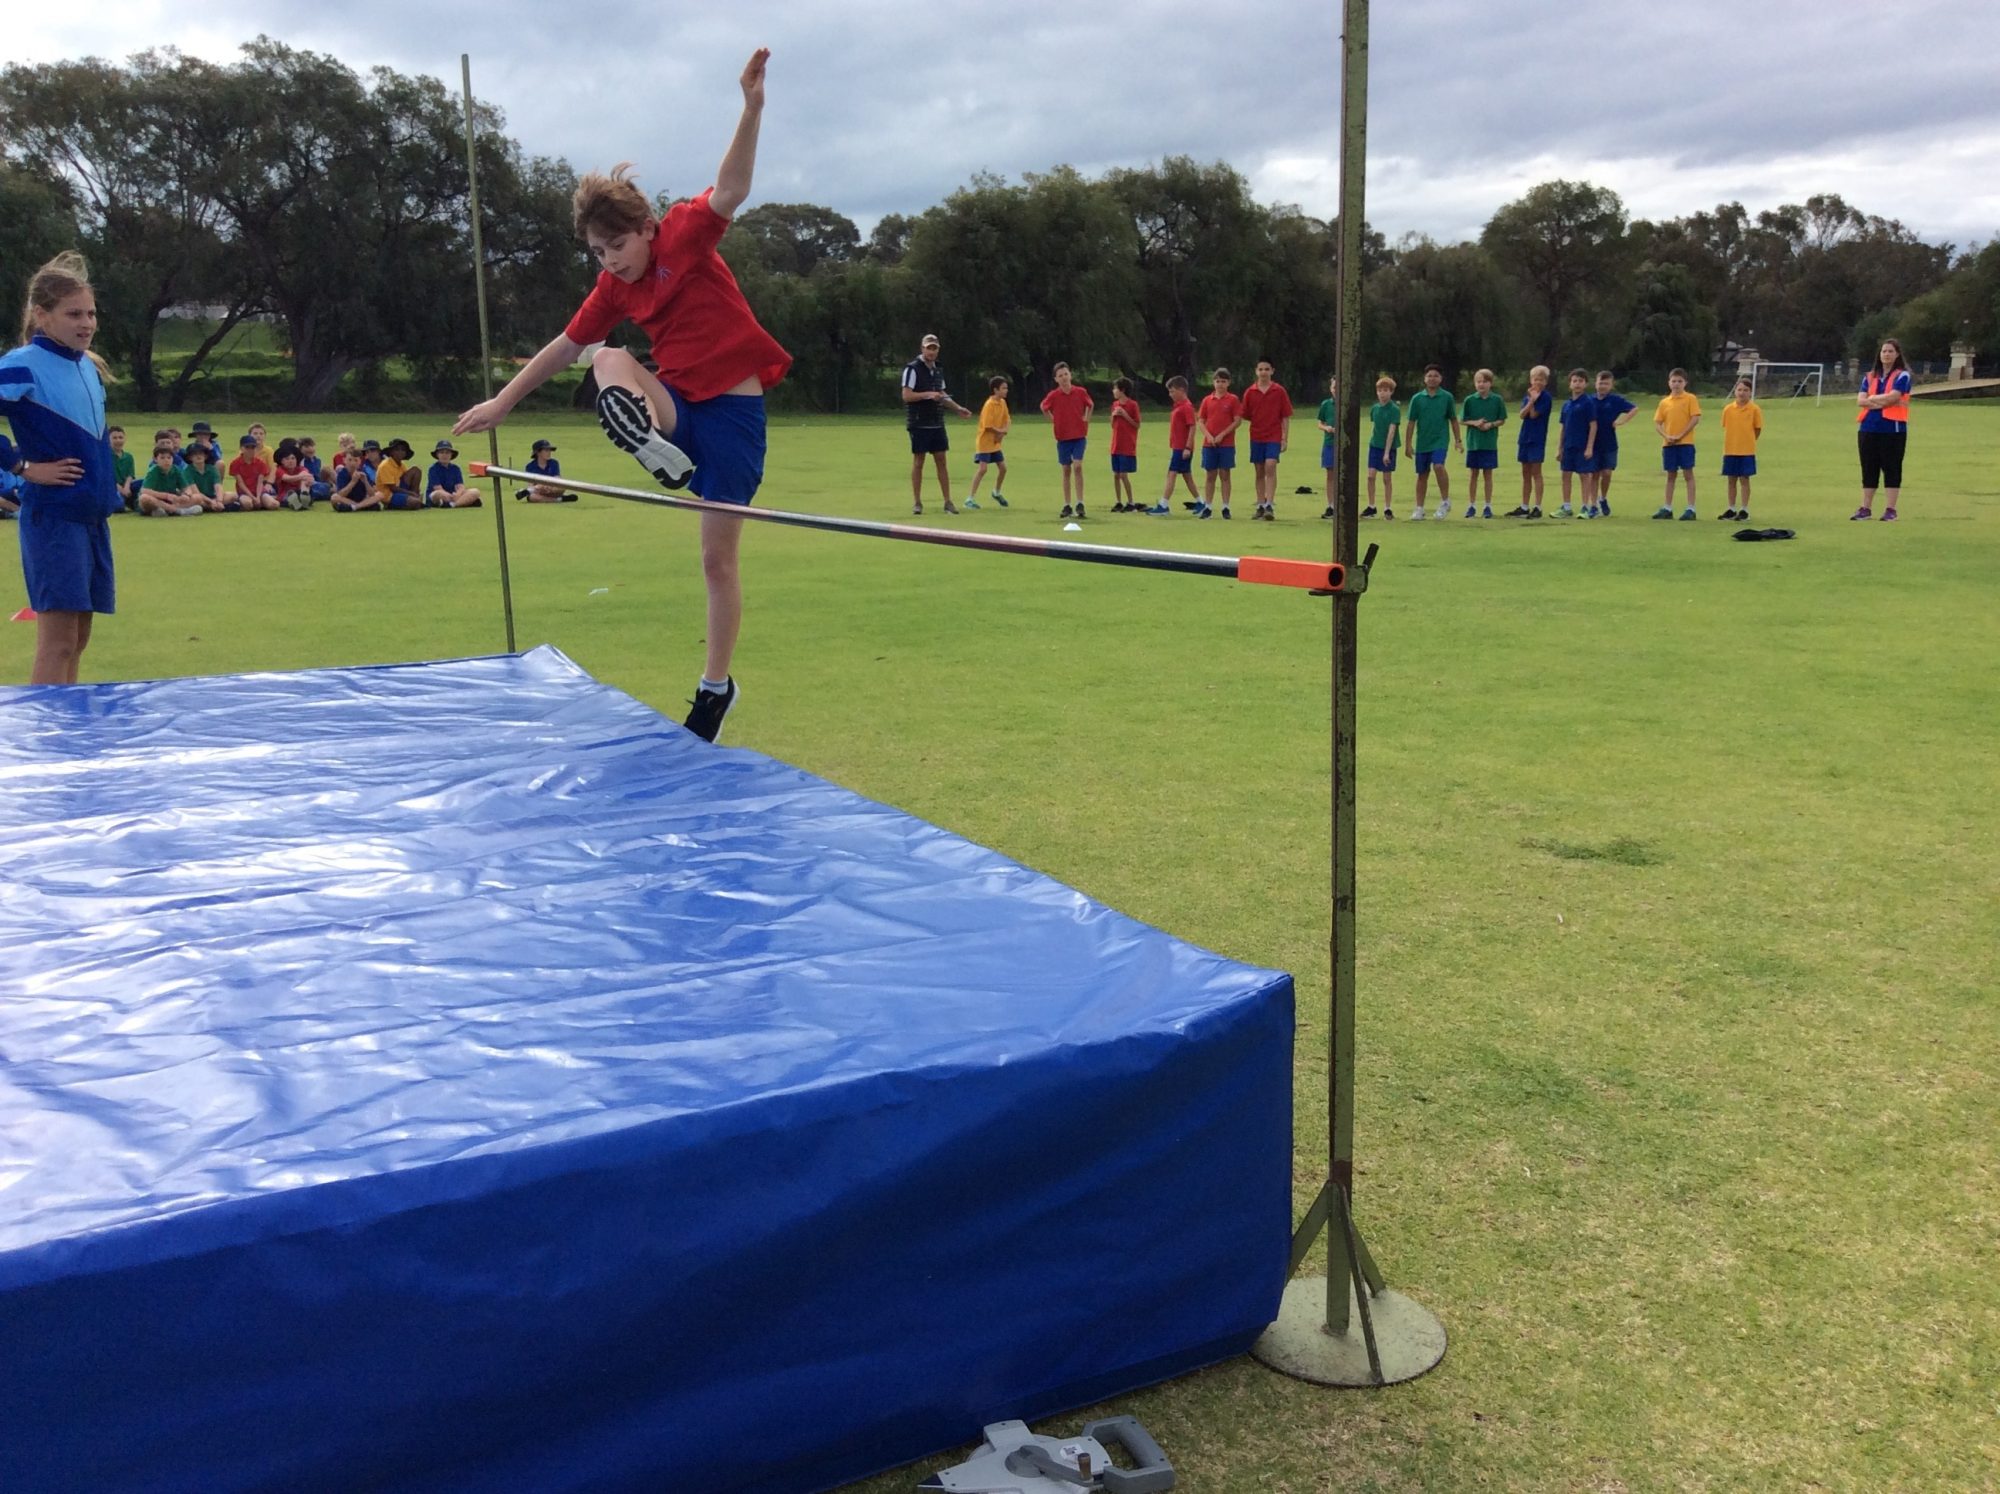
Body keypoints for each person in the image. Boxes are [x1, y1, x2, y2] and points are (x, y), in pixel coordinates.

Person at [453, 48, 789, 742]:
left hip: (732, 415)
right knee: (607, 355)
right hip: (675, 406)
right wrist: (504, 403)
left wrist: (751, 108)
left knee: (715, 560)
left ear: (644, 228)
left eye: (618, 248)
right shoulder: (615, 286)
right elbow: (565, 346)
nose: (611, 262)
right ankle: (649, 444)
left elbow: (730, 189)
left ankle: (715, 688)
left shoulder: (683, 233)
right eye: (599, 254)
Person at [0, 250, 122, 684]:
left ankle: (69, 736)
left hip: (89, 519)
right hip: (53, 520)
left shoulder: (87, 365)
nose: (86, 323)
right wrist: (22, 465)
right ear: (41, 315)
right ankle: (48, 748)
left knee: (79, 640)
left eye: (91, 313)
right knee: (57, 644)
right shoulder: (21, 365)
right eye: (73, 314)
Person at [902, 332, 970, 514]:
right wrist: (927, 394)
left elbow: (942, 393)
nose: (931, 351)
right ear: (922, 348)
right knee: (919, 461)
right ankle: (917, 502)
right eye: (928, 348)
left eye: (934, 348)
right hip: (918, 422)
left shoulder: (938, 369)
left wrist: (957, 408)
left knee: (942, 461)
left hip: (937, 421)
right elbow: (907, 395)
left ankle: (948, 502)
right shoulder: (912, 369)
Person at [1852, 337, 1912, 522]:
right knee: (1869, 467)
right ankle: (1865, 508)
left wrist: (1873, 400)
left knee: (1891, 468)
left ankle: (1890, 509)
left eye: (1890, 351)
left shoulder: (1902, 375)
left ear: (1897, 354)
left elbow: (1893, 398)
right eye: (1884, 351)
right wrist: (1880, 401)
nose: (1886, 354)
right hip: (1868, 427)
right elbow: (1860, 400)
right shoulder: (1869, 376)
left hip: (1892, 428)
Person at [1403, 363, 1459, 519]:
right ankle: (1419, 508)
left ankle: (1445, 501)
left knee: (1439, 466)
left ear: (1441, 379)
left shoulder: (1446, 397)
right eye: (1429, 376)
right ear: (1424, 379)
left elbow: (1453, 419)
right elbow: (1411, 422)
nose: (1432, 379)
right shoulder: (1417, 399)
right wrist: (1408, 444)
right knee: (1422, 474)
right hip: (1423, 442)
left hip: (1440, 440)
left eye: (1435, 376)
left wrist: (1458, 440)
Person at [1038, 362, 1094, 519]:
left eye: (1066, 374)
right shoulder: (1054, 395)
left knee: (1077, 466)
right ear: (1056, 379)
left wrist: (1086, 419)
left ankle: (1080, 502)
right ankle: (1067, 504)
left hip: (1078, 436)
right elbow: (1043, 407)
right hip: (1063, 438)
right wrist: (1053, 420)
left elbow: (1090, 404)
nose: (1064, 378)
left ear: (1070, 375)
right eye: (1060, 376)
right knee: (1066, 469)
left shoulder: (1080, 392)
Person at [1241, 359, 1293, 521]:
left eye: (1266, 369)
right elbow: (1246, 414)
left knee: (1271, 465)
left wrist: (1284, 438)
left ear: (1272, 371)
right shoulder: (1250, 392)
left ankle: (1270, 503)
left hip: (1273, 435)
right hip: (1256, 435)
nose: (1263, 372)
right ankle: (1260, 504)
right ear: (1256, 371)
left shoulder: (1279, 391)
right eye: (1261, 369)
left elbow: (1285, 416)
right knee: (1259, 470)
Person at [1584, 370, 1637, 518]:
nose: (1602, 386)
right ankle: (1593, 505)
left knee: (1606, 473)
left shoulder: (1615, 400)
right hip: (1593, 442)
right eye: (1600, 383)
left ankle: (1603, 498)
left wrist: (1621, 421)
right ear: (1595, 384)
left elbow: (1634, 408)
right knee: (1594, 474)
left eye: (1606, 383)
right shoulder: (1589, 400)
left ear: (1611, 385)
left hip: (1609, 443)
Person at [1652, 369, 1701, 520]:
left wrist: (1681, 435)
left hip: (1685, 443)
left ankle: (1691, 508)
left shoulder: (1690, 399)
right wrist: (1667, 436)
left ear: (1685, 383)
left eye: (1680, 381)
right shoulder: (1665, 402)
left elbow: (1695, 418)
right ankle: (1667, 507)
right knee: (1670, 475)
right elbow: (1658, 422)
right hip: (1669, 443)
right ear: (1669, 383)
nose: (1676, 384)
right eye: (1674, 381)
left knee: (1688, 474)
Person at [1194, 367, 1241, 519]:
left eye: (1223, 381)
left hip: (1226, 443)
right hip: (1209, 444)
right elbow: (1201, 421)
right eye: (1217, 381)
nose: (1220, 384)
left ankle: (1225, 506)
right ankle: (1208, 506)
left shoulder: (1232, 399)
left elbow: (1237, 421)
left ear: (1228, 383)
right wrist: (1208, 435)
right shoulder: (1207, 400)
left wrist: (1222, 434)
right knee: (1210, 475)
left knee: (1225, 474)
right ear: (1213, 382)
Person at [1459, 368, 1507, 519]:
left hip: (1489, 444)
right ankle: (1471, 505)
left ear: (1490, 384)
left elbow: (1502, 419)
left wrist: (1490, 425)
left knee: (1488, 474)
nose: (1481, 385)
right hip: (1474, 444)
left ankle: (1487, 505)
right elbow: (1462, 420)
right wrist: (1475, 423)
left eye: (1485, 382)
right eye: (1478, 381)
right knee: (1473, 474)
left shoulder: (1497, 400)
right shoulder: (1470, 400)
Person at [1510, 366, 1553, 518]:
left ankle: (1538, 506)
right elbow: (1522, 415)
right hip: (1525, 437)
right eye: (1535, 379)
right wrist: (1530, 400)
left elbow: (1534, 415)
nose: (1537, 382)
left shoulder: (1546, 397)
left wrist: (1534, 401)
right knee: (1525, 473)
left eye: (1541, 380)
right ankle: (1524, 506)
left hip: (1537, 438)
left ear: (1546, 382)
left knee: (1536, 472)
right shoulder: (1528, 396)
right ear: (1530, 380)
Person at [1153, 375, 1198, 516]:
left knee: (1171, 474)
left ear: (1182, 390)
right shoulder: (1178, 406)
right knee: (1186, 475)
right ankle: (1201, 502)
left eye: (1172, 391)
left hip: (1182, 448)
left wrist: (1188, 447)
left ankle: (1164, 504)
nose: (1170, 394)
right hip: (1177, 446)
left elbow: (1192, 427)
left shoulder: (1187, 407)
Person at [1556, 368, 1599, 516]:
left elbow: (1593, 425)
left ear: (1586, 384)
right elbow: (1563, 427)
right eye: (1574, 381)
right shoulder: (1566, 405)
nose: (1577, 384)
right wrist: (1559, 448)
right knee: (1565, 474)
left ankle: (1585, 506)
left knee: (1584, 475)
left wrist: (1589, 447)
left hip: (1582, 445)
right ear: (1570, 384)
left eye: (1580, 381)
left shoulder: (1588, 403)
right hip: (1568, 445)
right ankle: (1566, 506)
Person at [1719, 378, 1763, 521]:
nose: (1742, 393)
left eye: (1745, 390)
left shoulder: (1754, 409)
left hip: (1746, 450)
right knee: (1731, 479)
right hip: (1730, 449)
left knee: (1744, 479)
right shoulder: (1728, 409)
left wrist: (1748, 441)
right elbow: (1726, 427)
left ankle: (1744, 509)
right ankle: (1731, 508)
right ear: (1735, 391)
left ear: (1750, 392)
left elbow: (1757, 429)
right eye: (1739, 390)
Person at [965, 377, 1010, 509]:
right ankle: (970, 498)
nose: (1006, 391)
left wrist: (1004, 431)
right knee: (983, 469)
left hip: (995, 443)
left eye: (1006, 388)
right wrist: (1000, 431)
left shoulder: (1002, 403)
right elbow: (988, 426)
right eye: (1003, 388)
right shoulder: (989, 405)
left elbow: (1007, 419)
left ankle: (996, 492)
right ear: (995, 390)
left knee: (1003, 468)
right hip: (985, 442)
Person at [1361, 376, 1399, 519]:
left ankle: (1387, 508)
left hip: (1388, 447)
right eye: (1380, 390)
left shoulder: (1394, 409)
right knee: (1370, 476)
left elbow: (1391, 431)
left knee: (1386, 478)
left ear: (1391, 392)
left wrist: (1387, 453)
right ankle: (1371, 506)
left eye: (1386, 390)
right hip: (1375, 445)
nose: (1383, 393)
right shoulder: (1375, 408)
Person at [138, 440, 202, 516]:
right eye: (162, 458)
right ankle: (178, 511)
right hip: (158, 500)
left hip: (172, 500)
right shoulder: (153, 471)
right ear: (155, 459)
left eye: (169, 458)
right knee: (144, 498)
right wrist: (166, 496)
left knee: (198, 497)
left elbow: (186, 488)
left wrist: (186, 495)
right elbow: (145, 490)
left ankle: (167, 510)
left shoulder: (176, 469)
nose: (166, 460)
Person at [1107, 377, 1141, 511]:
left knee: (1123, 475)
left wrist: (1125, 415)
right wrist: (1114, 416)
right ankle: (1118, 501)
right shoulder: (1115, 405)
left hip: (1127, 445)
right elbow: (1112, 425)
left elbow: (1137, 424)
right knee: (1116, 474)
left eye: (1115, 388)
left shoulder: (1133, 405)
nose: (1113, 391)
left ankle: (1130, 501)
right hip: (1116, 444)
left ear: (1122, 390)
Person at [1316, 375, 1343, 520]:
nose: (1336, 390)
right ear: (1330, 389)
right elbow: (1319, 423)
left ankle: (1343, 505)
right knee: (1330, 474)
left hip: (1344, 444)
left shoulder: (1346, 404)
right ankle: (1331, 505)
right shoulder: (1326, 404)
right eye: (1334, 387)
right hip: (1329, 443)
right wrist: (1326, 428)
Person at [228, 433, 278, 509]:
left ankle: (268, 500)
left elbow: (260, 482)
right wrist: (253, 497)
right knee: (248, 505)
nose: (250, 450)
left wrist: (258, 497)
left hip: (259, 491)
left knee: (274, 504)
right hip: (244, 492)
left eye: (253, 447)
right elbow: (241, 483)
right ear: (241, 448)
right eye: (247, 447)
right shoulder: (235, 464)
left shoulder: (260, 463)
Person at [426, 440, 480, 507]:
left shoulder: (456, 468)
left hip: (454, 496)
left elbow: (460, 486)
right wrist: (450, 496)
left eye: (447, 453)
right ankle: (463, 502)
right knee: (438, 494)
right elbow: (438, 488)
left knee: (475, 491)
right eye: (442, 452)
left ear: (451, 455)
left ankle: (453, 505)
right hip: (440, 494)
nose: (444, 455)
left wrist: (457, 494)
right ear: (437, 455)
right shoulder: (433, 469)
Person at [183, 440, 227, 510]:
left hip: (212, 496)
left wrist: (219, 501)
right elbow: (195, 491)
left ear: (205, 456)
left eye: (200, 453)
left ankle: (215, 506)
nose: (198, 456)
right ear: (190, 458)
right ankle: (215, 507)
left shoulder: (212, 468)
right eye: (195, 454)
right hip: (200, 497)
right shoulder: (187, 471)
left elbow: (218, 486)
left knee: (233, 496)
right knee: (197, 498)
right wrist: (211, 502)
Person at [274, 443, 316, 511]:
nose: (291, 461)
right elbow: (287, 478)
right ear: (282, 461)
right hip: (285, 494)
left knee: (306, 479)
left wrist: (310, 480)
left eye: (293, 458)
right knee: (291, 494)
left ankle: (304, 496)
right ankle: (295, 502)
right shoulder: (279, 470)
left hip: (299, 491)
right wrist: (301, 476)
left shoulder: (301, 468)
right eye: (287, 459)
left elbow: (305, 474)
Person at [109, 424, 141, 507]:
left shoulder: (128, 457)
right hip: (112, 487)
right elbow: (107, 477)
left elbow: (130, 475)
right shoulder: (105, 456)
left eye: (120, 437)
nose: (118, 440)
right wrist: (121, 490)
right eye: (114, 438)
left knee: (143, 482)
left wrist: (126, 488)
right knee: (119, 505)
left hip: (127, 486)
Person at [297, 435, 330, 502]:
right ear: (300, 449)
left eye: (312, 446)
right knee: (323, 489)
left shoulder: (317, 460)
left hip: (318, 482)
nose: (310, 448)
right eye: (307, 447)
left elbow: (318, 474)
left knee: (327, 471)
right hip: (309, 483)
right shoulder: (300, 461)